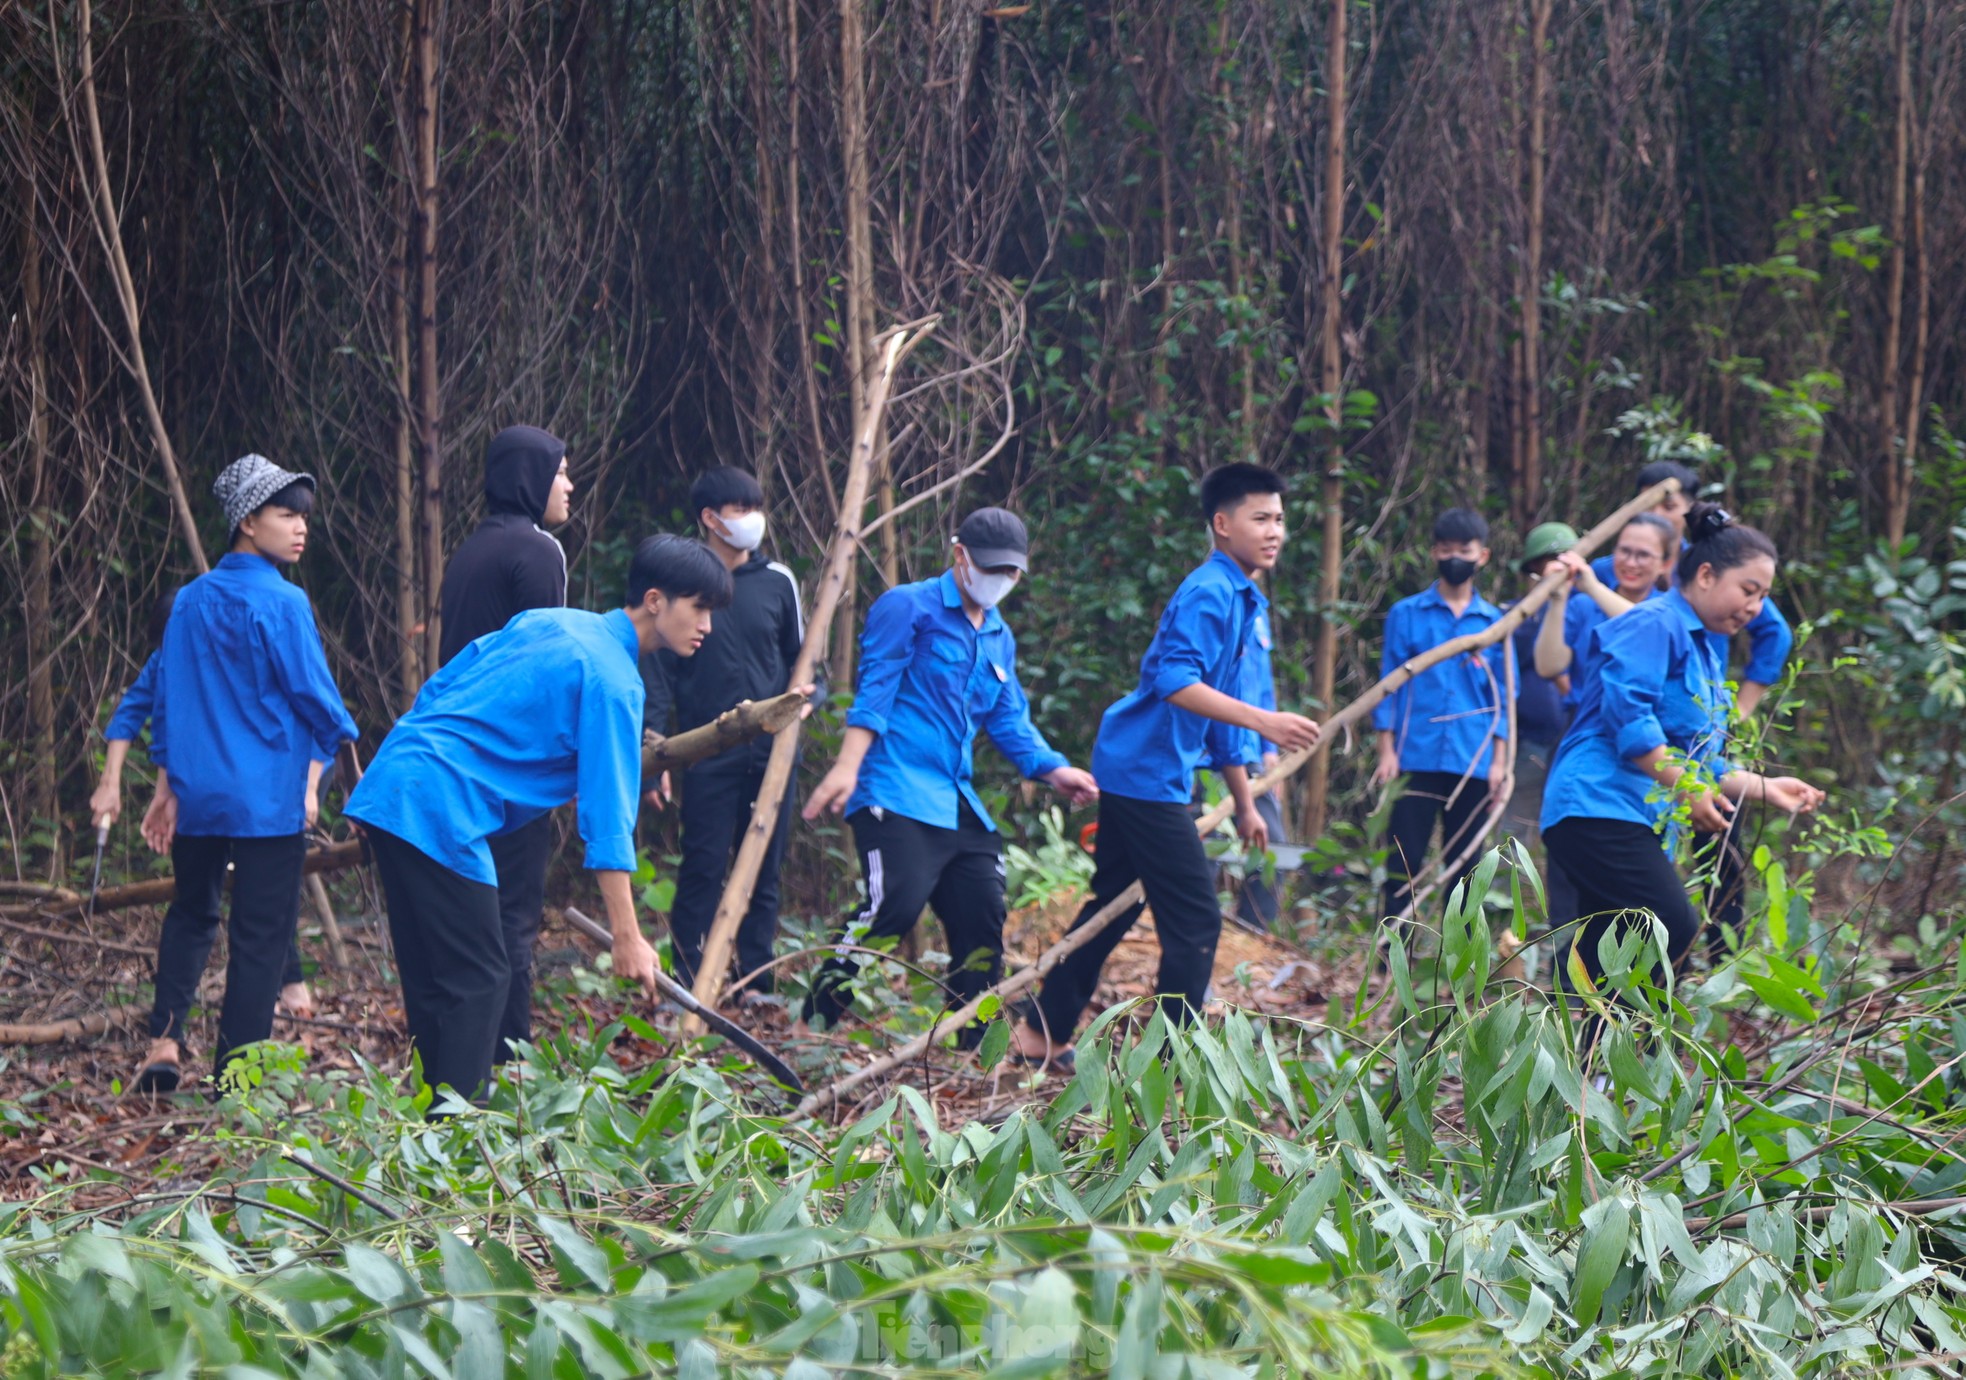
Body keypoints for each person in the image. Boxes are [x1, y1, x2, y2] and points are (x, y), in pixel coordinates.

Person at [347, 535, 727, 1107]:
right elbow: (606, 822)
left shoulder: (553, 621)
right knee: (480, 978)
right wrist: (627, 935)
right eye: (698, 608)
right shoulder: (615, 681)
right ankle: (456, 1137)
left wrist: (385, 783)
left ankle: (423, 1132)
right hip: (442, 805)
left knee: (436, 978)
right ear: (655, 600)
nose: (707, 626)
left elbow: (445, 684)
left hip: (398, 783)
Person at [1016, 465, 1321, 1068]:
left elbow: (1218, 713)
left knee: (1117, 902)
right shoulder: (1211, 591)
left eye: (1280, 519)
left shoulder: (1240, 596)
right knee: (1197, 919)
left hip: (1152, 771)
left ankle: (1040, 1033)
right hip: (1145, 774)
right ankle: (1170, 1061)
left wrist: (1245, 801)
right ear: (1222, 524)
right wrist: (1266, 722)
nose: (1274, 531)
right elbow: (1176, 681)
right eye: (1260, 518)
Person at [802, 508, 1098, 1046]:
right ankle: (814, 1023)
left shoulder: (998, 635)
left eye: (1010, 573)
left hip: (955, 798)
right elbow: (876, 691)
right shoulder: (908, 606)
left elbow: (1009, 721)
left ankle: (971, 1050)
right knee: (892, 902)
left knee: (982, 914)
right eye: (991, 568)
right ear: (959, 554)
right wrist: (847, 767)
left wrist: (1056, 770)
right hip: (893, 786)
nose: (1000, 581)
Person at [1540, 503, 1823, 1043]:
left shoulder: (1705, 652)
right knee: (1669, 929)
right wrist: (1689, 787)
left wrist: (1769, 790)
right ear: (1707, 575)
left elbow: (1704, 761)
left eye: (1763, 596)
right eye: (1749, 589)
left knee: (1610, 955)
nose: (1755, 606)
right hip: (1594, 805)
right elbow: (1633, 724)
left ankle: (1588, 1087)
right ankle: (1623, 1072)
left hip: (1630, 813)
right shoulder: (1654, 622)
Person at [135, 455, 360, 1093]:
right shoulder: (285, 603)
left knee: (191, 914)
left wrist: (166, 787)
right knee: (260, 938)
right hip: (265, 799)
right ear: (247, 520)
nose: (300, 529)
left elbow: (169, 700)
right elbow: (316, 698)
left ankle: (166, 1040)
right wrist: (350, 754)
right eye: (286, 515)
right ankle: (235, 1083)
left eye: (303, 517)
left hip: (200, 795)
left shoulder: (187, 602)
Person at [95, 589, 316, 1024]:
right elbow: (134, 717)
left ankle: (291, 983)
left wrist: (305, 788)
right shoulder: (164, 663)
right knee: (201, 904)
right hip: (199, 790)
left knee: (264, 894)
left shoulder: (233, 657)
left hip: (267, 785)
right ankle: (170, 1034)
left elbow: (304, 714)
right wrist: (112, 782)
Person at [643, 467, 817, 1004]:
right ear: (710, 519)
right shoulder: (683, 587)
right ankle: (689, 980)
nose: (751, 520)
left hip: (772, 754)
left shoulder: (779, 582)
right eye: (739, 510)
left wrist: (804, 702)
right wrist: (653, 749)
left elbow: (804, 661)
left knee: (763, 868)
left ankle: (755, 980)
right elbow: (661, 673)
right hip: (705, 750)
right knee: (702, 864)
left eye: (754, 507)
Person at [435, 424, 576, 1062]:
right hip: (512, 760)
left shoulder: (470, 551)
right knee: (514, 920)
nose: (569, 486)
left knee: (474, 918)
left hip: (459, 755)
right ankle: (511, 1066)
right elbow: (544, 666)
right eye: (560, 472)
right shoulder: (538, 551)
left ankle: (465, 1060)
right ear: (531, 478)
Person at [1371, 508, 1514, 931]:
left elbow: (1505, 697)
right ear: (1434, 552)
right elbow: (1388, 686)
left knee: (1467, 867)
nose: (1455, 557)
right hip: (1413, 755)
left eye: (1464, 550)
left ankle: (1462, 965)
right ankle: (1388, 959)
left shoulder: (1495, 623)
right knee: (1403, 861)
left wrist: (1500, 762)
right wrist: (1385, 750)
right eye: (1447, 549)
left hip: (1473, 757)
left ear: (1482, 556)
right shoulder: (1406, 614)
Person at [1593, 461, 1793, 716]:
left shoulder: (1723, 569)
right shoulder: (1605, 572)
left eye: (1668, 506)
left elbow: (1775, 632)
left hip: (1699, 711)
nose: (1656, 514)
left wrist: (1740, 710)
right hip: (1623, 704)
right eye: (1646, 505)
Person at [1536, 513, 1676, 708]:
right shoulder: (1584, 605)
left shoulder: (1670, 611)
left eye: (1643, 555)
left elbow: (1648, 628)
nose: (1630, 562)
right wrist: (1558, 598)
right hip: (1584, 728)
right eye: (1624, 551)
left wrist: (1594, 588)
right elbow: (1548, 668)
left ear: (1665, 564)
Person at [1499, 522, 1579, 850]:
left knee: (1570, 827)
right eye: (1548, 560)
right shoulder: (1515, 616)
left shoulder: (1587, 610)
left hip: (1574, 739)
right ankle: (1502, 898)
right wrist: (1543, 597)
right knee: (1514, 827)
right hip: (1527, 741)